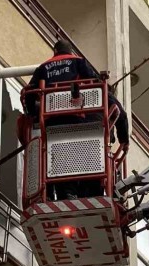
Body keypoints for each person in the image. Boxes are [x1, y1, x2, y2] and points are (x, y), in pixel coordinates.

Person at [24, 40, 101, 201]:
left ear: (55, 51)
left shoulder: (43, 67)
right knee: (75, 153)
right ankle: (73, 191)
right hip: (75, 115)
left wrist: (33, 113)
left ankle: (61, 193)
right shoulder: (78, 61)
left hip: (51, 118)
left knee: (55, 156)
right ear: (70, 51)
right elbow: (95, 82)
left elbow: (29, 91)